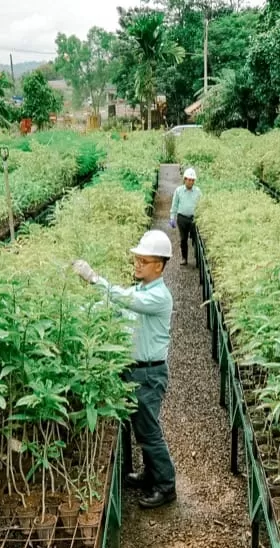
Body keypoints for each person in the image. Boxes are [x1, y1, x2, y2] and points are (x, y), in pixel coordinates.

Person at [72, 230, 177, 509]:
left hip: (149, 373)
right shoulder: (141, 289)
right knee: (142, 428)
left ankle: (166, 486)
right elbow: (116, 305)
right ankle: (150, 474)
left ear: (159, 266)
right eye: (136, 259)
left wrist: (95, 279)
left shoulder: (159, 296)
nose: (137, 264)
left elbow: (126, 300)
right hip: (135, 370)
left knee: (149, 431)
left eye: (144, 260)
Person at [169, 167, 202, 266]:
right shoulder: (179, 191)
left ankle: (198, 260)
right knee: (183, 239)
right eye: (189, 180)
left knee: (196, 239)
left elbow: (202, 204)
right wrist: (172, 217)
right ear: (185, 179)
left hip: (193, 218)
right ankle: (184, 258)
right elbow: (174, 205)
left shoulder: (197, 191)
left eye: (193, 180)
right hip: (182, 218)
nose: (191, 182)